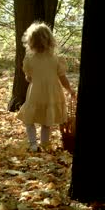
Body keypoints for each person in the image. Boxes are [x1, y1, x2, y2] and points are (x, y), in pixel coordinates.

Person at [17, 22, 76, 152]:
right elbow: (62, 77)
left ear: (31, 41)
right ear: (50, 40)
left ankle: (33, 144)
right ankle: (44, 144)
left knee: (29, 119)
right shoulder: (56, 58)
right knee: (46, 121)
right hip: (51, 93)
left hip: (36, 93)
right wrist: (69, 90)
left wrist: (31, 78)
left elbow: (28, 77)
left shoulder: (30, 58)